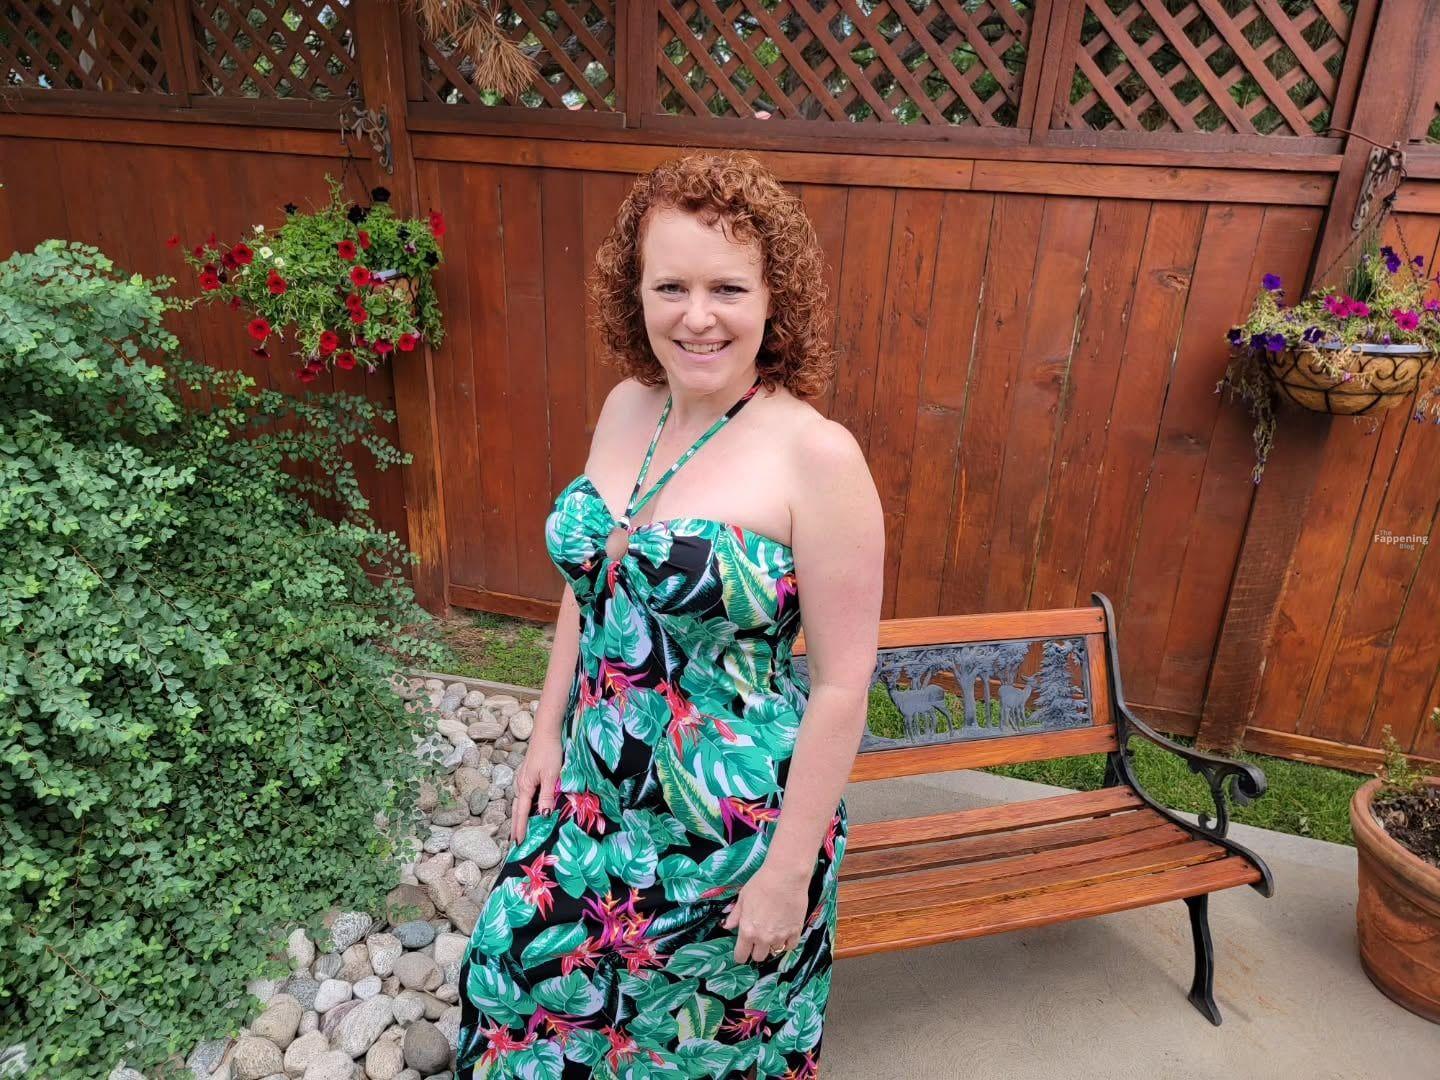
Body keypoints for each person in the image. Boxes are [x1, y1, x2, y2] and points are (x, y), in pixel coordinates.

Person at [456, 151, 884, 1079]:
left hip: (726, 834)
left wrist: (788, 872)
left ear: (773, 298)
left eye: (727, 287)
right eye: (671, 287)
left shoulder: (817, 457)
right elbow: (590, 587)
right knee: (507, 981)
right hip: (592, 798)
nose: (697, 316)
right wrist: (544, 732)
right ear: (636, 294)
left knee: (691, 1054)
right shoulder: (626, 409)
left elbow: (844, 685)